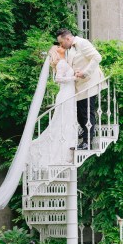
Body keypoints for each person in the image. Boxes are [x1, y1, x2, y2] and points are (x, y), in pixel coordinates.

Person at [27, 45, 78, 175]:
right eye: (58, 46)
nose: (61, 46)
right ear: (56, 51)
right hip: (65, 95)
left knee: (67, 122)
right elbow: (58, 79)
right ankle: (45, 150)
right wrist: (73, 78)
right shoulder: (60, 63)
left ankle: (66, 149)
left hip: (69, 94)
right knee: (62, 123)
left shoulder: (64, 61)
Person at [56, 29, 104, 150]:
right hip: (80, 85)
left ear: (67, 38)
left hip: (89, 83)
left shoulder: (83, 43)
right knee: (79, 113)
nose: (61, 45)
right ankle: (86, 132)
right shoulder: (71, 49)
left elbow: (97, 57)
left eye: (61, 42)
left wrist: (85, 73)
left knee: (86, 113)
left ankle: (87, 142)